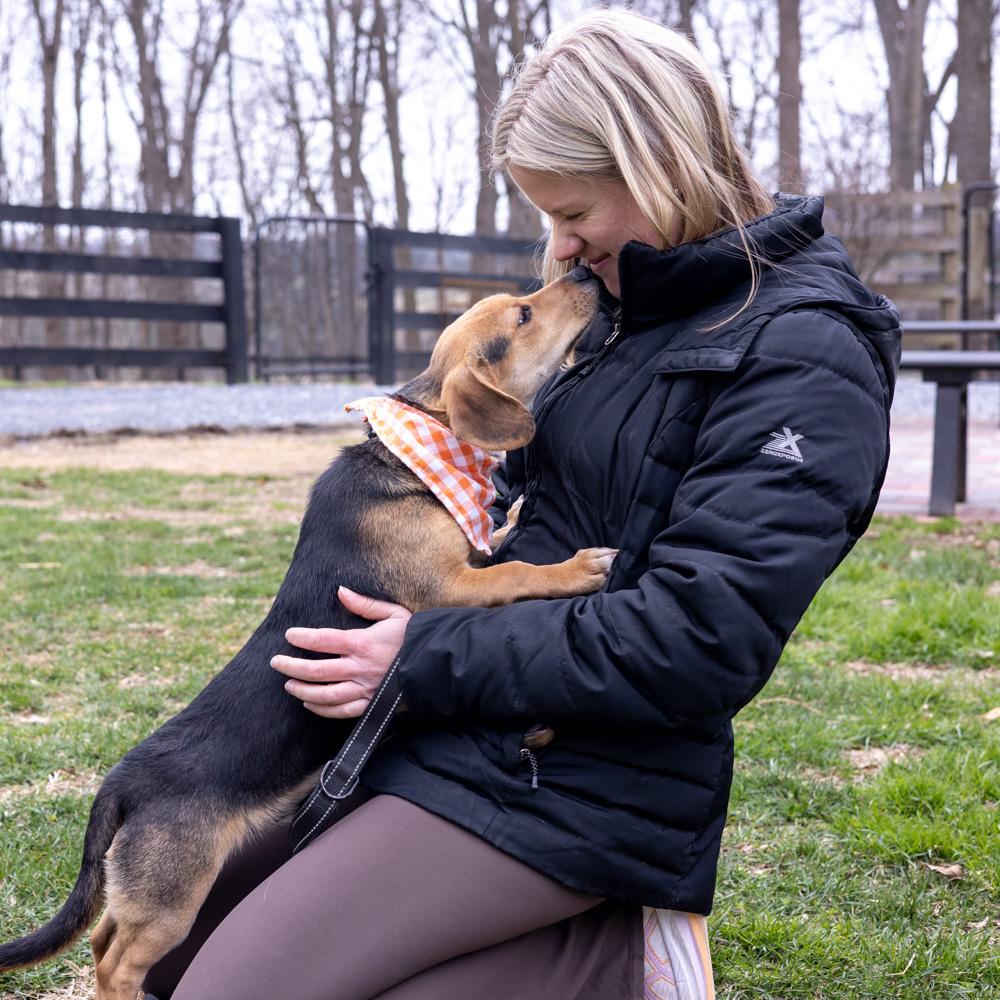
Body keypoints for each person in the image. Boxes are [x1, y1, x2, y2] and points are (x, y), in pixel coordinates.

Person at [145, 9, 899, 1000]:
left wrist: (421, 654)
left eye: (573, 212)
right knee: (166, 949)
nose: (560, 245)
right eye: (546, 216)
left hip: (580, 777)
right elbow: (528, 498)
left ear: (662, 162)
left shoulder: (805, 351)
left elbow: (701, 641)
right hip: (452, 718)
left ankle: (613, 959)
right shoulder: (620, 307)